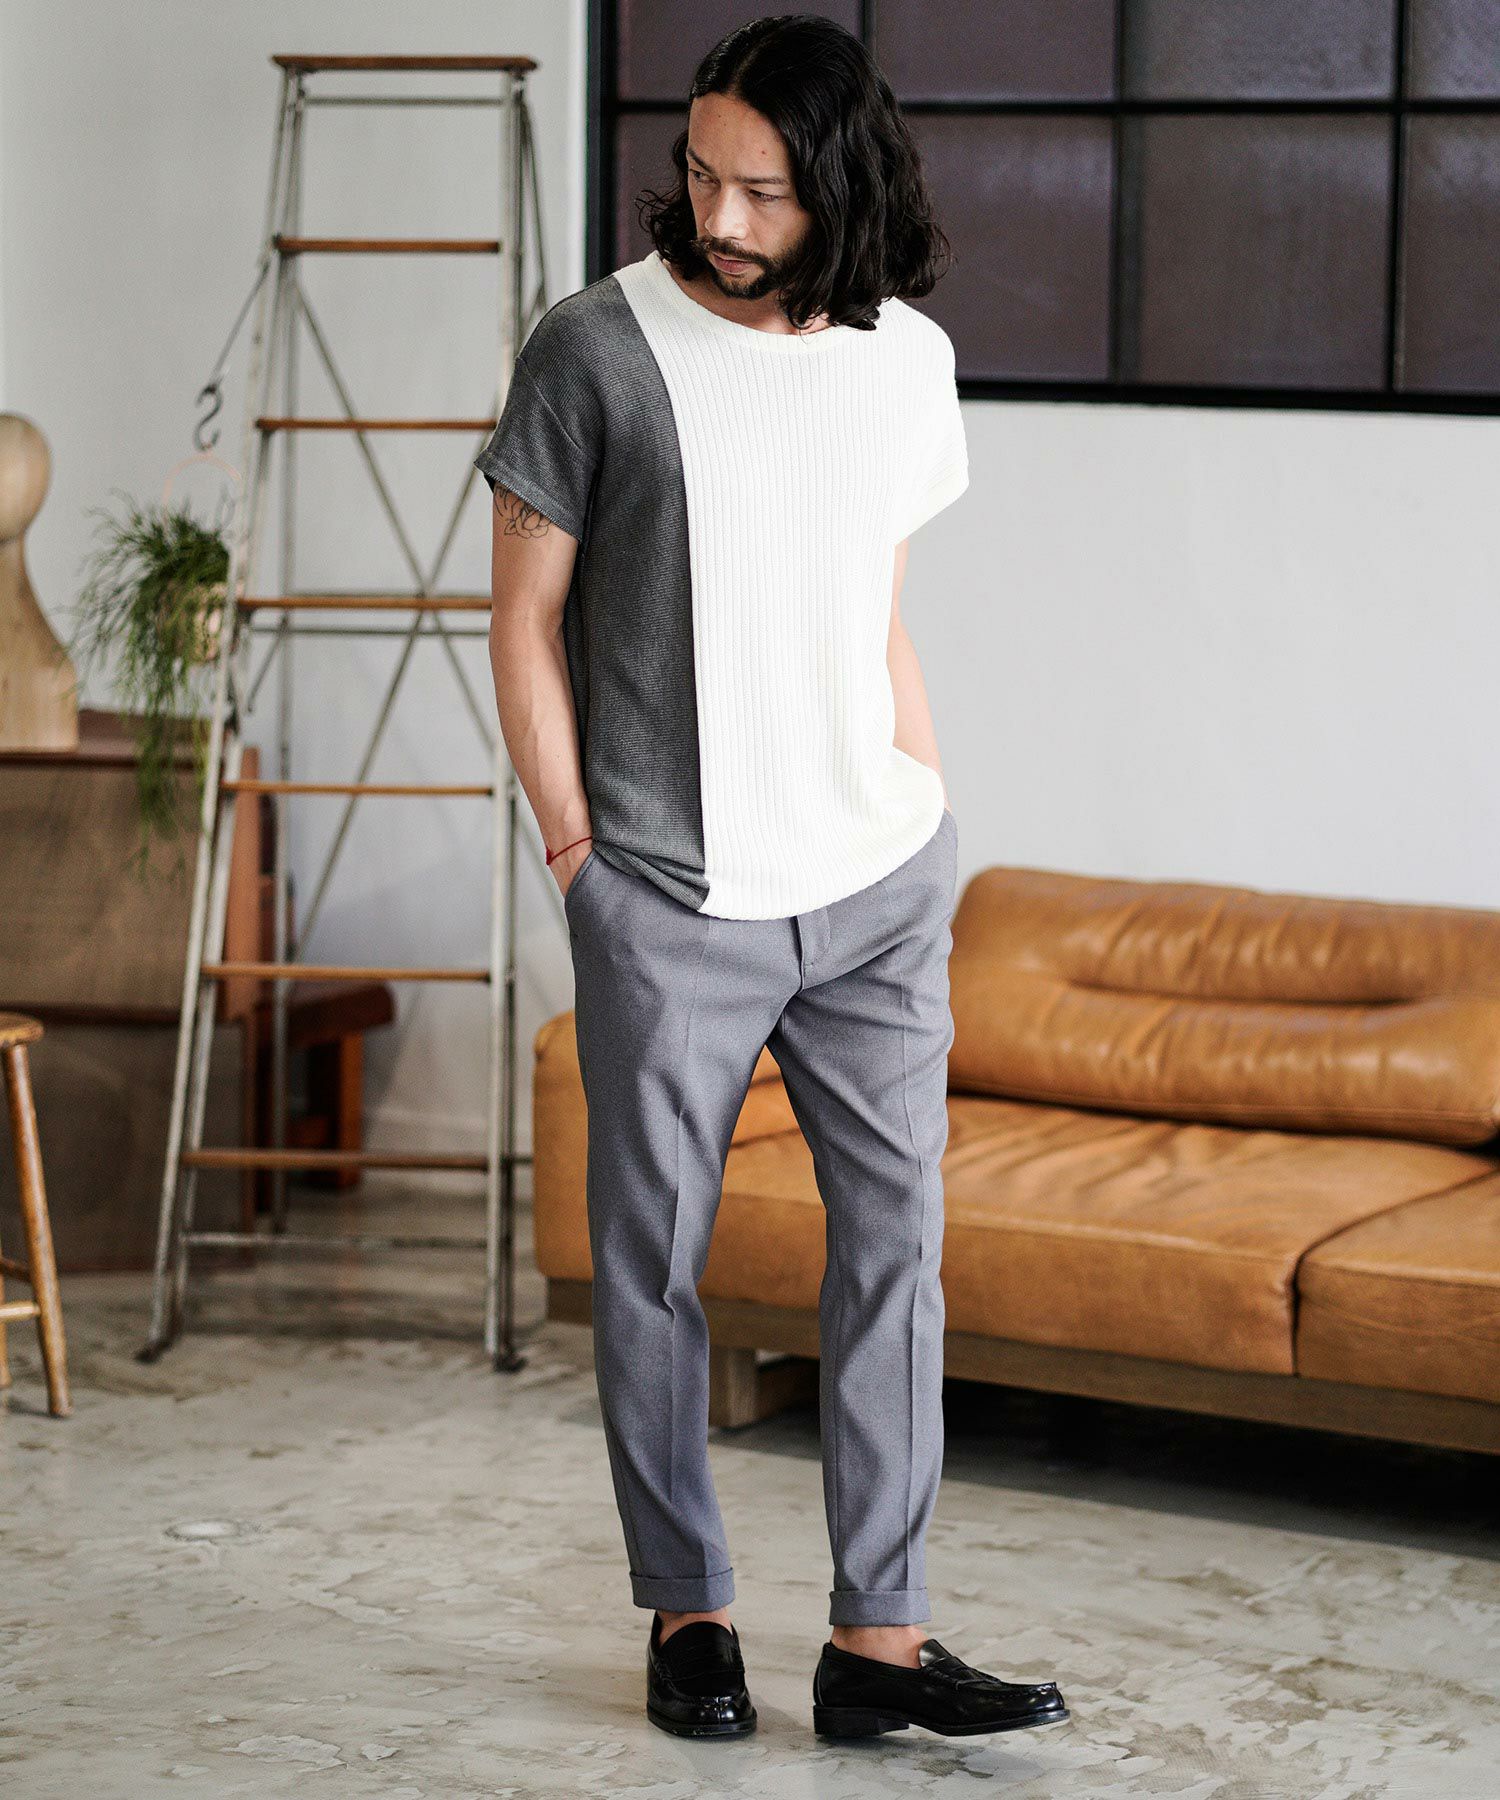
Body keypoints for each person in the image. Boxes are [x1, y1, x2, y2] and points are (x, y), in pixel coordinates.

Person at [478, 14, 1069, 1745]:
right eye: (700, 173)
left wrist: (926, 808)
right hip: (669, 890)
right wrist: (579, 855)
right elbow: (520, 619)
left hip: (875, 883)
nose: (721, 216)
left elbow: (869, 606)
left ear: (842, 186)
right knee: (653, 1264)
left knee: (897, 1252)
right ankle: (691, 1612)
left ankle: (880, 1643)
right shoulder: (595, 346)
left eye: (764, 190)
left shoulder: (906, 362)